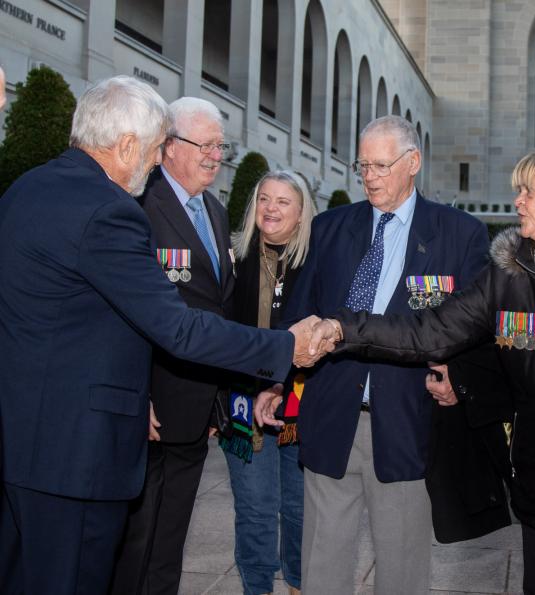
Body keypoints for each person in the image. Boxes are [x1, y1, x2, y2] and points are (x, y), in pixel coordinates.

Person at [0, 75, 308, 595]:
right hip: (76, 455)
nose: (154, 161)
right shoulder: (110, 210)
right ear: (125, 146)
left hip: (25, 439)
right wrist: (287, 347)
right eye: (151, 148)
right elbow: (178, 327)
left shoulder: (25, 188)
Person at [282, 149, 535, 595]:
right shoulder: (510, 276)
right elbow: (430, 330)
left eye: (529, 191)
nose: (518, 202)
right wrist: (342, 327)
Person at [264, 115, 491, 595]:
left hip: (407, 419)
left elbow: (477, 325)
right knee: (322, 556)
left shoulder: (459, 234)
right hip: (330, 411)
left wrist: (459, 374)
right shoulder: (328, 229)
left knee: (402, 563)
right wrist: (274, 380)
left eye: (381, 165)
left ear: (413, 163)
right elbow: (299, 317)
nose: (369, 176)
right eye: (362, 165)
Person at [110, 97, 239, 595]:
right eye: (203, 144)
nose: (214, 155)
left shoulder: (216, 212)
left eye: (219, 145)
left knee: (172, 537)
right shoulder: (139, 205)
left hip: (196, 404)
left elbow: (217, 303)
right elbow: (122, 312)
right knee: (134, 539)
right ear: (167, 146)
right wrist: (134, 395)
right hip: (149, 406)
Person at [222, 170, 317, 595]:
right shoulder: (233, 259)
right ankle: (256, 586)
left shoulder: (316, 263)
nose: (271, 209)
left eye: (283, 201)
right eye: (265, 199)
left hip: (300, 401)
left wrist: (282, 384)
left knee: (298, 508)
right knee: (255, 508)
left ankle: (298, 583)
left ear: (301, 214)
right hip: (242, 402)